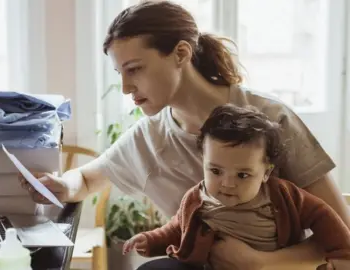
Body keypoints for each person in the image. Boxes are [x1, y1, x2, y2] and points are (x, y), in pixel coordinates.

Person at [19, 1, 350, 269]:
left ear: (181, 53)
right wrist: (61, 185)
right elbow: (88, 180)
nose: (125, 87)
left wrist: (261, 262)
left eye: (135, 69)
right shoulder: (149, 136)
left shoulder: (270, 119)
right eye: (120, 73)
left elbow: (341, 230)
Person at [121, 104, 350, 270]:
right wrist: (151, 240)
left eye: (242, 175)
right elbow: (176, 227)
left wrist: (342, 254)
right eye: (215, 171)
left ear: (266, 172)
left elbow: (323, 216)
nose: (227, 184)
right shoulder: (197, 197)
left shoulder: (281, 194)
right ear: (204, 163)